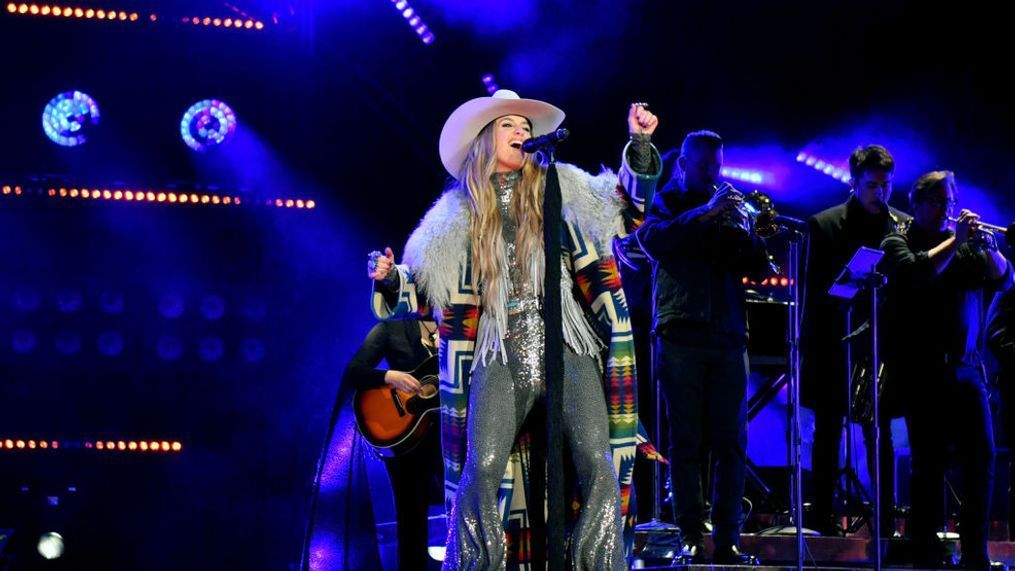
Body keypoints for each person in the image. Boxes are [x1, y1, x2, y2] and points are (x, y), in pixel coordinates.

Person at [368, 89, 661, 570]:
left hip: (568, 342)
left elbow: (625, 210)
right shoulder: (453, 217)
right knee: (479, 467)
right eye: (509, 125)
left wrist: (640, 145)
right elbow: (422, 291)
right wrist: (389, 278)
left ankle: (595, 563)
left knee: (599, 461)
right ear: (486, 140)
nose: (522, 131)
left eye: (526, 126)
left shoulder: (560, 185)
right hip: (497, 350)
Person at [635, 129, 773, 565]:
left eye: (716, 166)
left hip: (729, 335)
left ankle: (729, 538)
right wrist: (706, 214)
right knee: (686, 441)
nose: (712, 174)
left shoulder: (728, 207)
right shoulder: (668, 201)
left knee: (732, 442)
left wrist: (748, 231)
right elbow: (653, 241)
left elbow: (759, 269)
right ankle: (692, 534)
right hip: (680, 333)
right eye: (703, 166)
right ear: (684, 166)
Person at [881, 171, 1010, 569]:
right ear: (917, 203)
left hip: (968, 371)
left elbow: (1004, 278)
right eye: (938, 202)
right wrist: (957, 240)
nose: (945, 209)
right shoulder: (898, 240)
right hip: (924, 373)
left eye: (949, 202)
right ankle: (925, 549)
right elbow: (918, 272)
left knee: (982, 458)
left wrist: (988, 247)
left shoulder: (967, 246)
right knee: (929, 463)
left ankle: (975, 551)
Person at [801, 144, 908, 536]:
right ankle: (822, 517)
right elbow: (813, 297)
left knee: (879, 435)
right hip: (836, 346)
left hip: (884, 346)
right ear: (853, 182)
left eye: (887, 185)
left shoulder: (901, 225)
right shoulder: (824, 224)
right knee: (829, 433)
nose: (881, 194)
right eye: (873, 186)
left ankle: (884, 521)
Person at [341, 318, 443, 570]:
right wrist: (390, 376)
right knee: (411, 520)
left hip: (452, 433)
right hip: (407, 439)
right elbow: (353, 371)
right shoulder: (391, 329)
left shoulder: (462, 323)